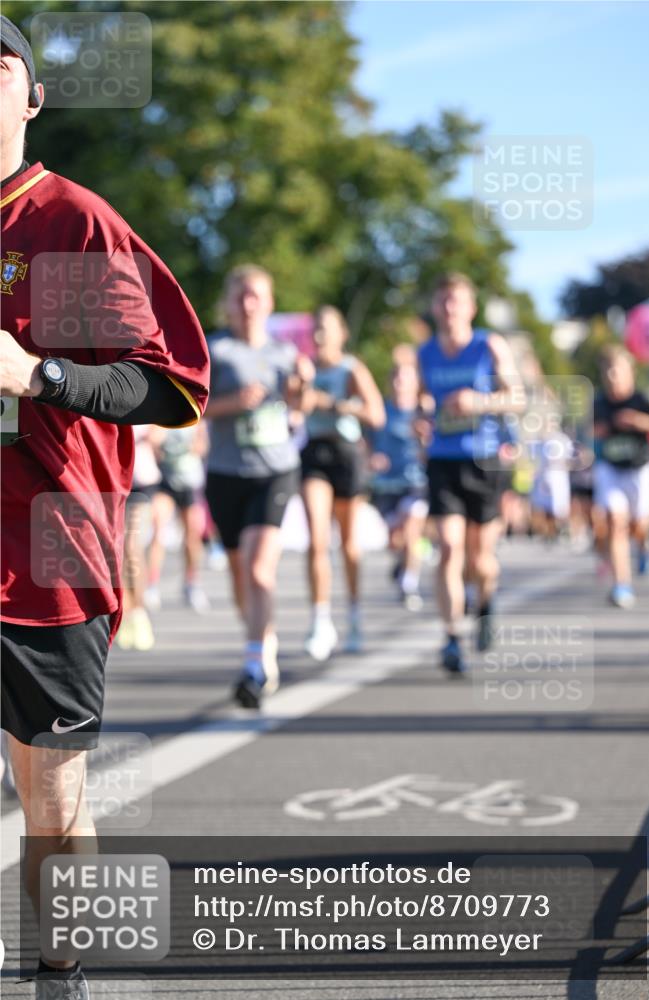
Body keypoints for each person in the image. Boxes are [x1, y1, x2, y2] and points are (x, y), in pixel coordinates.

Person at [0, 17, 210, 998]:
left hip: (47, 553)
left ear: (33, 97)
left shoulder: (65, 222)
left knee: (50, 797)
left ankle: (60, 971)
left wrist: (35, 372)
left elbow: (159, 385)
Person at [205, 265, 313, 708]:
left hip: (275, 470)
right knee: (238, 576)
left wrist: (301, 390)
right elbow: (190, 409)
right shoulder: (214, 349)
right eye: (240, 296)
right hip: (226, 471)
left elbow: (300, 411)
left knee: (257, 569)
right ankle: (261, 641)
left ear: (268, 303)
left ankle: (253, 665)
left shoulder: (286, 353)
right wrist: (233, 403)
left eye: (256, 296)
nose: (248, 304)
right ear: (229, 303)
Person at [416, 272, 524, 674]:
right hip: (443, 458)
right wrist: (422, 419)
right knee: (448, 547)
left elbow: (517, 399)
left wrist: (477, 402)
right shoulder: (425, 352)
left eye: (456, 301)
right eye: (442, 301)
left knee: (480, 558)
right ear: (433, 307)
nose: (448, 309)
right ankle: (450, 638)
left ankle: (486, 602)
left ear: (470, 308)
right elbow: (423, 402)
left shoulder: (488, 345)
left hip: (486, 461)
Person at [300, 306, 385, 660]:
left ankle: (353, 614)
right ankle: (321, 619)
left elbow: (376, 414)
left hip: (347, 453)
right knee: (317, 538)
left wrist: (335, 405)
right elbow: (294, 405)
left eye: (327, 328)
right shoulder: (304, 366)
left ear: (341, 333)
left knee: (348, 543)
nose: (320, 334)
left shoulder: (351, 369)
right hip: (314, 453)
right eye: (316, 327)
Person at [592, 346, 649, 607]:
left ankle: (646, 545)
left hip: (640, 468)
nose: (612, 376)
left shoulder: (644, 398)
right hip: (612, 469)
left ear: (629, 372)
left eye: (617, 370)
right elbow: (591, 432)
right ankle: (622, 584)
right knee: (615, 522)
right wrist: (598, 432)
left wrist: (637, 421)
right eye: (607, 371)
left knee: (639, 526)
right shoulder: (599, 402)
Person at [370, 345, 428, 610]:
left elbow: (434, 447)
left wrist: (425, 439)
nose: (400, 382)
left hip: (416, 482)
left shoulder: (424, 412)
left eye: (405, 378)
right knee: (396, 540)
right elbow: (366, 441)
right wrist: (372, 456)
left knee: (411, 529)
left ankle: (409, 584)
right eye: (395, 377)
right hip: (386, 484)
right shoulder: (381, 410)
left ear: (416, 382)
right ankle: (401, 563)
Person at [145, 422, 211, 614]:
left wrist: (193, 446)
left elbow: (202, 446)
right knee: (158, 531)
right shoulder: (161, 417)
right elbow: (152, 440)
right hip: (165, 482)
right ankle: (152, 583)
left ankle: (191, 582)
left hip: (189, 482)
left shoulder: (195, 419)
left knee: (192, 535)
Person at [116, 424, 164, 651]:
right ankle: (125, 610)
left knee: (130, 546)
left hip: (141, 481)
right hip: (112, 480)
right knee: (115, 550)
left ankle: (139, 611)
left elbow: (160, 434)